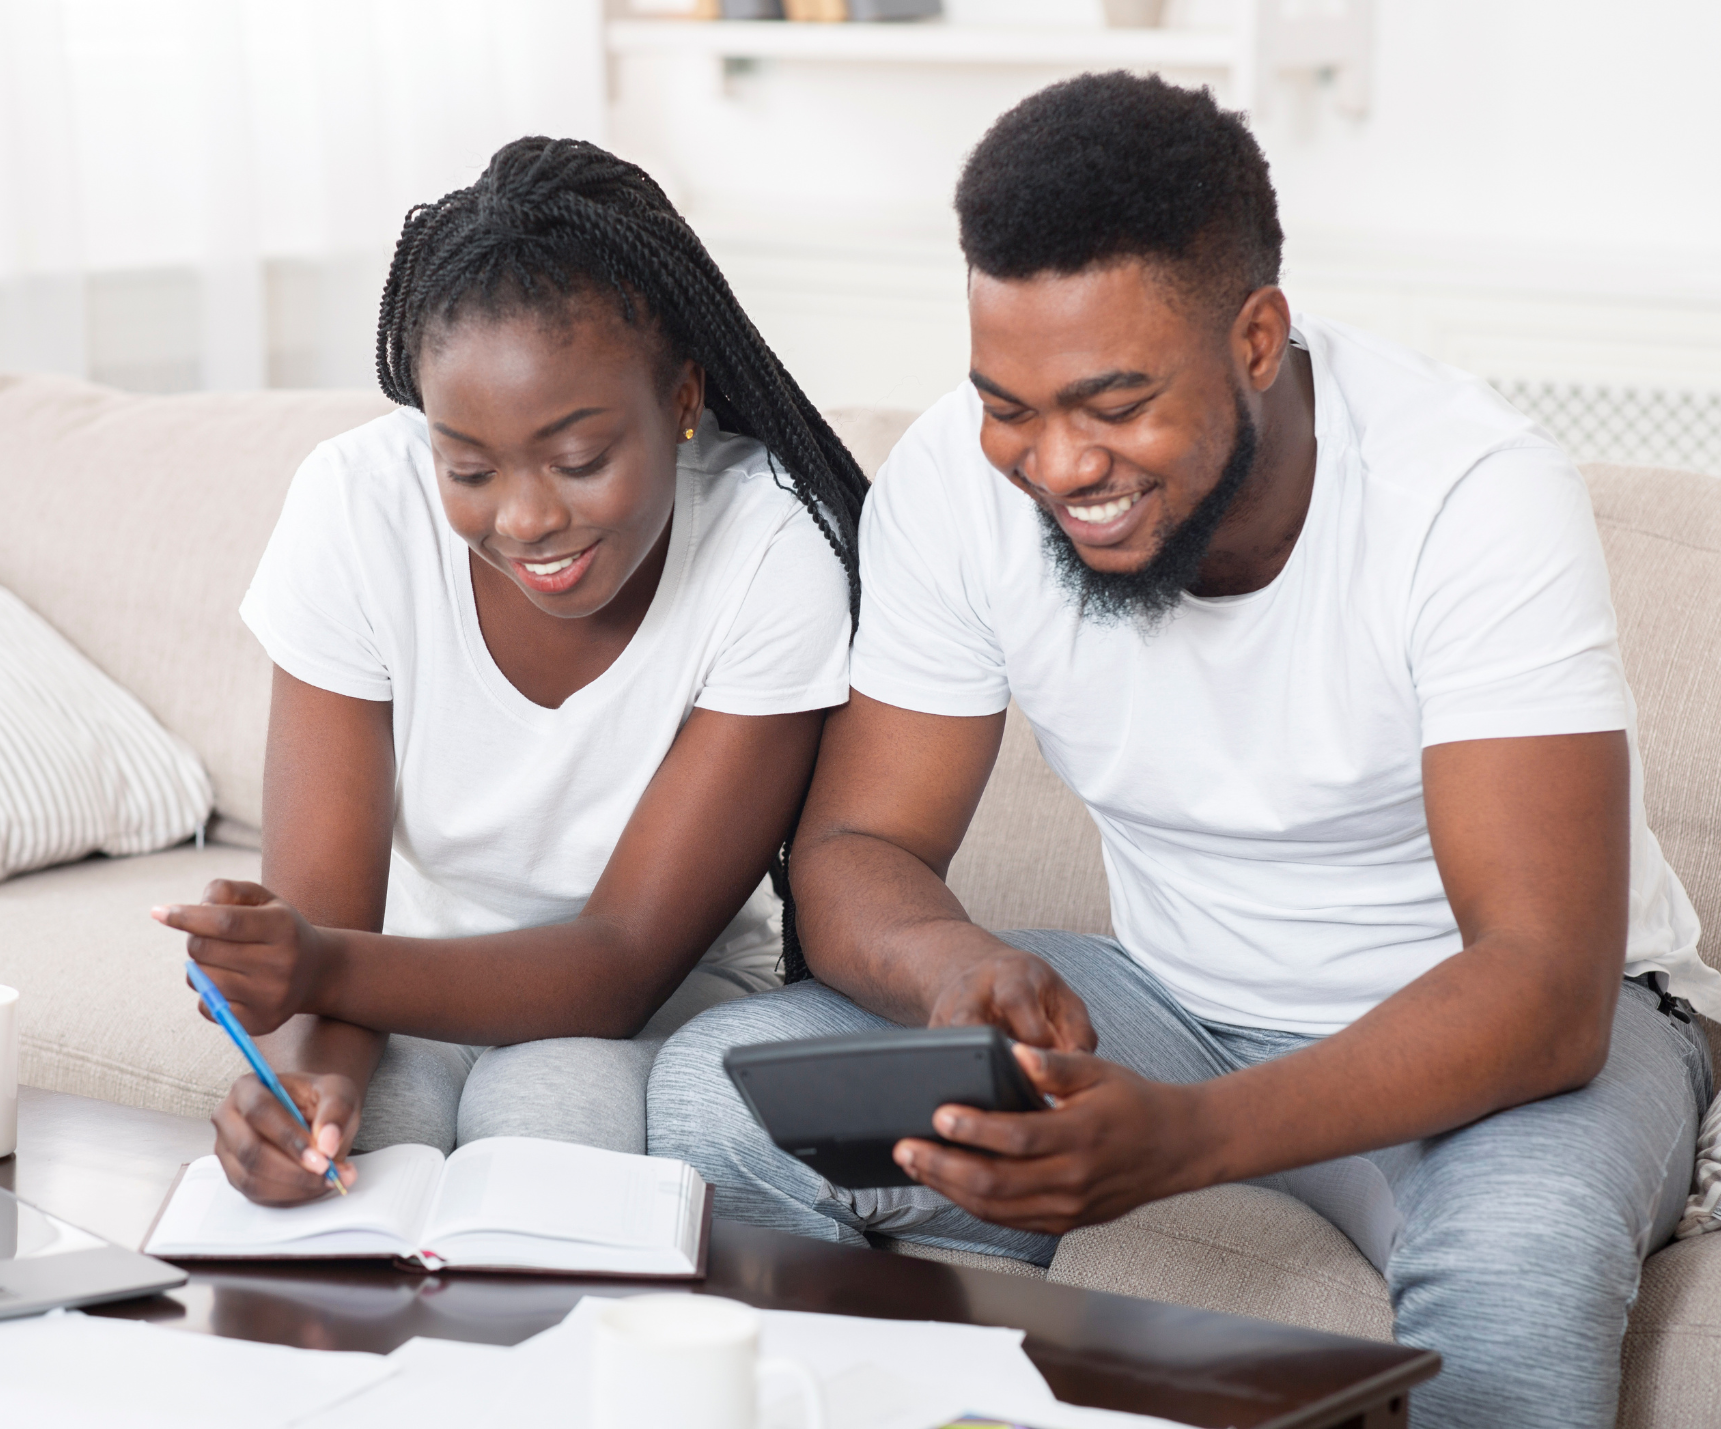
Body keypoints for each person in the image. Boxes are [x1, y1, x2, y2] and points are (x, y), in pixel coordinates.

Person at [648, 73, 1720, 1429]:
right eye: (1010, 404)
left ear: (1259, 338)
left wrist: (1189, 1141)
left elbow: (1544, 983)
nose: (1055, 463)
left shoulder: (1469, 497)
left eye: (1112, 402)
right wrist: (951, 966)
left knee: (1519, 1263)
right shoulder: (953, 484)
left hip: (1508, 1043)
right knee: (718, 1094)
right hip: (1176, 999)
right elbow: (863, 846)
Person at [153, 136, 867, 1207]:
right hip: (394, 987)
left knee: (543, 1116)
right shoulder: (355, 507)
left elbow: (620, 962)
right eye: (468, 469)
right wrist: (307, 1082)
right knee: (341, 1168)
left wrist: (317, 964)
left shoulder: (773, 548)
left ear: (682, 395)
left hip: (651, 997)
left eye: (580, 460)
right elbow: (327, 917)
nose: (527, 519)